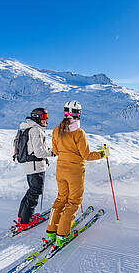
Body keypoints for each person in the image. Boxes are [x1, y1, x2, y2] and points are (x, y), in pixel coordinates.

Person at [46, 100, 110, 248]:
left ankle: (51, 231)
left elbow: (56, 151)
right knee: (73, 202)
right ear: (78, 114)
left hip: (60, 170)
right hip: (75, 172)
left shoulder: (57, 130)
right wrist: (103, 153)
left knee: (61, 199)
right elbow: (86, 155)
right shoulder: (79, 133)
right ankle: (62, 234)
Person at [16, 108, 55, 231]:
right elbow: (39, 152)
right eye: (44, 117)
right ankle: (26, 221)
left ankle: (22, 217)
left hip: (30, 165)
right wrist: (52, 152)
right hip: (36, 166)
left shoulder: (27, 128)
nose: (46, 120)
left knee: (31, 191)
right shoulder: (36, 130)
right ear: (37, 117)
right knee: (35, 192)